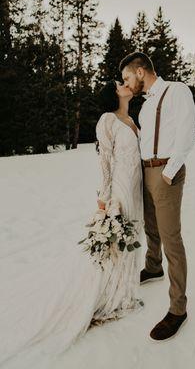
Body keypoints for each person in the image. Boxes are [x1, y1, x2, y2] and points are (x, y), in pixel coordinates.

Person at [0, 80, 144, 365]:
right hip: (119, 188)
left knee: (133, 234)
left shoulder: (131, 119)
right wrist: (105, 198)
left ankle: (125, 289)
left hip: (136, 186)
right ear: (113, 94)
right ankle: (110, 296)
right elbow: (105, 160)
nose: (125, 84)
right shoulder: (107, 120)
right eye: (119, 83)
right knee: (117, 239)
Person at [120, 52, 195, 341]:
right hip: (146, 171)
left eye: (128, 77)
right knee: (150, 227)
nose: (127, 83)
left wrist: (169, 171)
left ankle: (178, 309)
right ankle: (153, 267)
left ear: (141, 71)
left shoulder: (176, 90)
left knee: (171, 238)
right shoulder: (146, 104)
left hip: (166, 172)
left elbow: (187, 133)